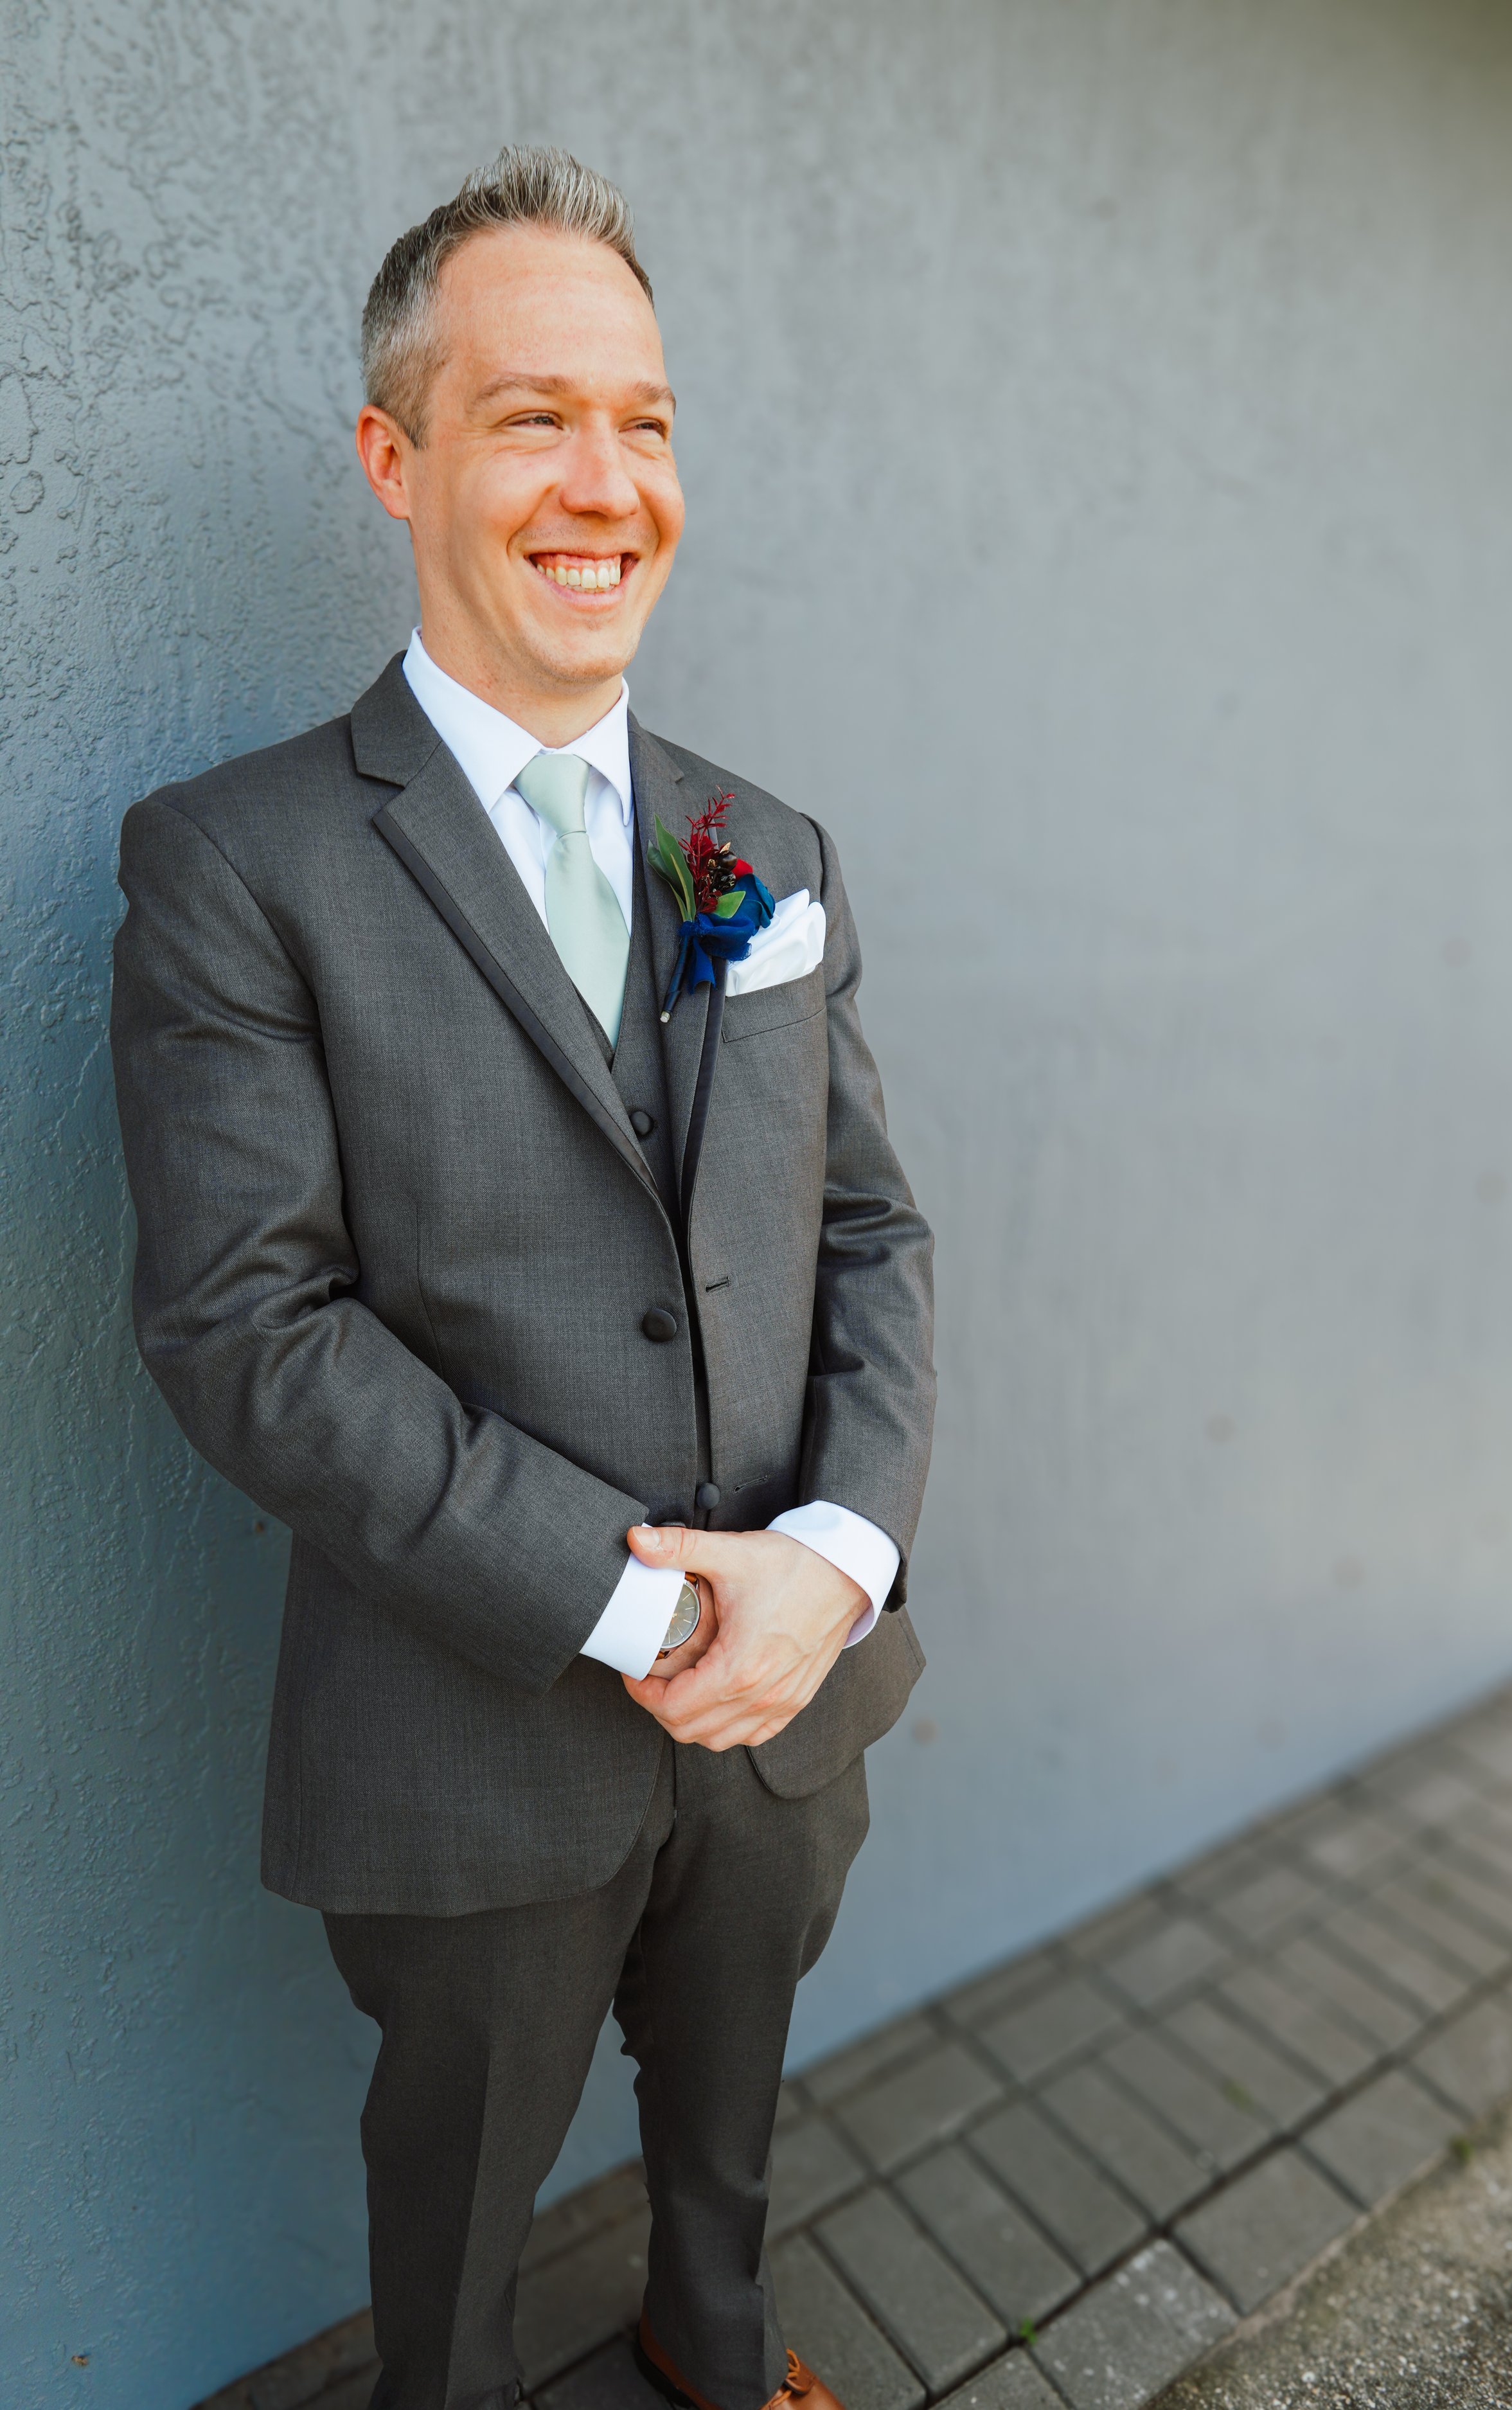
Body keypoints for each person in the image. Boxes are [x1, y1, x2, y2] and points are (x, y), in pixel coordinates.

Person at [110, 146, 935, 2410]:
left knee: (734, 2112)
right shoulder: (235, 865)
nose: (607, 482)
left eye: (646, 420)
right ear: (397, 460)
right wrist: (659, 1604)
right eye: (532, 416)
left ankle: (710, 2334)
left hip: (788, 1704)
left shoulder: (757, 851)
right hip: (471, 1727)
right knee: (455, 2201)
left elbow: (864, 1228)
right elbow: (245, 1332)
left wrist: (832, 1568)